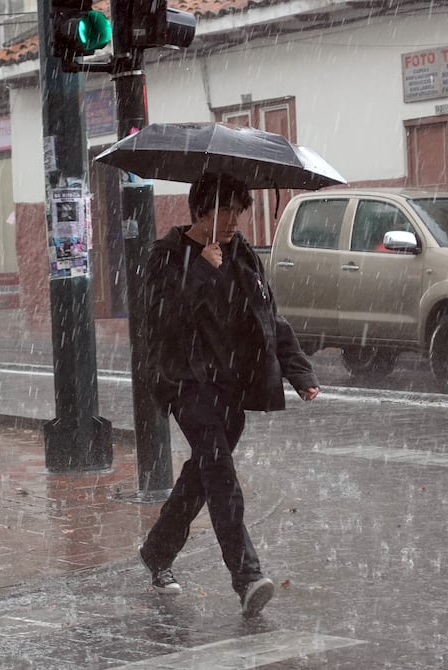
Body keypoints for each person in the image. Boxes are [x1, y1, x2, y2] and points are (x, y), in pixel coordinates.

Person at [137, 173, 320, 617]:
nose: (235, 220)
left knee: (202, 477)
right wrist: (201, 269)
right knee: (221, 478)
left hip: (232, 387)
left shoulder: (242, 256)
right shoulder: (167, 256)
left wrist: (298, 371)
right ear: (201, 211)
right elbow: (160, 321)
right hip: (187, 384)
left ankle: (157, 553)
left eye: (240, 211)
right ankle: (248, 577)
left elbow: (268, 316)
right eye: (226, 211)